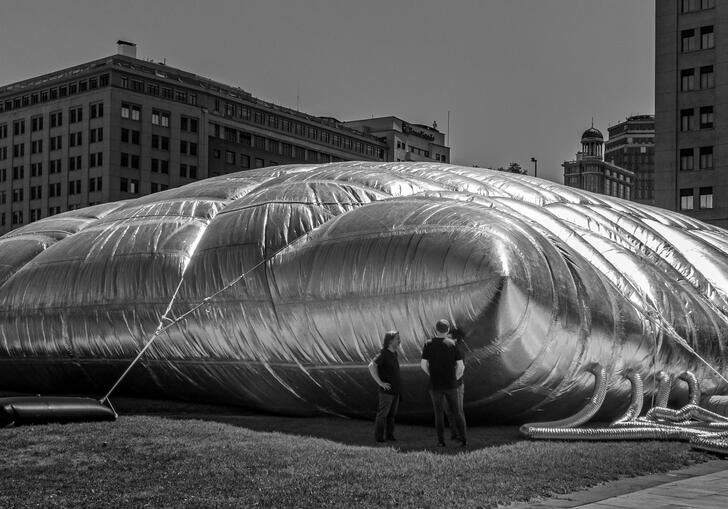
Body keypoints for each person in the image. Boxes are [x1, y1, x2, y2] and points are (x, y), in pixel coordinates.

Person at [421, 319, 467, 447]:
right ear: (447, 330)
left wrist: (432, 374)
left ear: (436, 329)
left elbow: (423, 365)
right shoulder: (452, 344)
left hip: (435, 386)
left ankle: (441, 442)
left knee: (439, 414)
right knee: (457, 412)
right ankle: (464, 440)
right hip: (451, 385)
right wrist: (454, 378)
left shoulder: (428, 343)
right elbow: (461, 366)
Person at [368, 330, 402, 443]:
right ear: (390, 340)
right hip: (386, 391)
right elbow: (371, 366)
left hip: (395, 390)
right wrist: (380, 383)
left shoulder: (394, 353)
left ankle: (389, 435)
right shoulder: (384, 354)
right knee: (383, 414)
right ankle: (379, 437)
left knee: (391, 415)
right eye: (397, 338)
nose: (399, 340)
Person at [443, 327, 466, 441]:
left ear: (455, 339)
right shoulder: (450, 348)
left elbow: (461, 368)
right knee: (449, 410)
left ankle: (461, 436)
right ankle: (454, 434)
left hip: (455, 386)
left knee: (457, 411)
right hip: (449, 385)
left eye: (448, 336)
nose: (446, 337)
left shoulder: (458, 350)